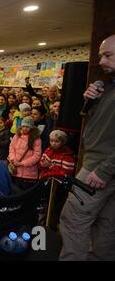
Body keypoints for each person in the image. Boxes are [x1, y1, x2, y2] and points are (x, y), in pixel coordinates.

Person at [59, 35, 115, 261]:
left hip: (99, 168)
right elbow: (100, 125)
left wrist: (104, 170)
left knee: (72, 220)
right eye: (101, 55)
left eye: (108, 55)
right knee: (107, 225)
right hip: (102, 165)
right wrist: (93, 102)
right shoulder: (109, 87)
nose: (101, 61)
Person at [8, 116, 42, 190]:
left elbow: (37, 155)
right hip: (15, 172)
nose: (24, 128)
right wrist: (13, 159)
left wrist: (22, 163)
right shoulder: (17, 135)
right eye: (23, 126)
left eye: (27, 126)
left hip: (29, 175)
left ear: (31, 127)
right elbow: (11, 148)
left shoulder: (36, 139)